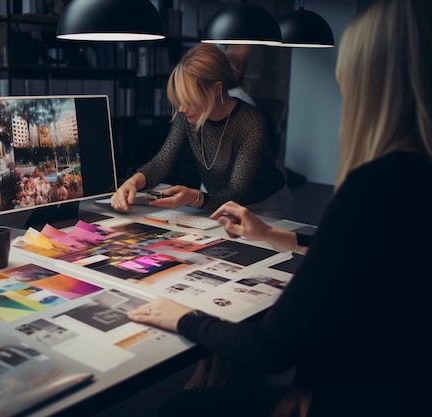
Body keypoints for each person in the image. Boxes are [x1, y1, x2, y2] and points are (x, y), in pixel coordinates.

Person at [127, 1, 432, 416]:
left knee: (179, 402)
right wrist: (137, 180)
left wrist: (184, 317)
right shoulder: (411, 175)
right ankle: (210, 369)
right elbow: (352, 265)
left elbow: (272, 348)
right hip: (388, 387)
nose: (181, 109)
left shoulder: (366, 184)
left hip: (261, 205)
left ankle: (214, 371)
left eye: (345, 78)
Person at [110, 43, 290, 219]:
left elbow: (236, 193)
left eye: (189, 101)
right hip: (212, 200)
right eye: (180, 101)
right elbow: (161, 162)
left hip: (263, 207)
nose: (181, 108)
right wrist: (133, 182)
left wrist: (195, 198)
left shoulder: (251, 122)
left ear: (216, 89)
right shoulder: (188, 116)